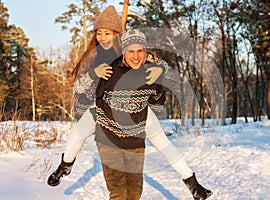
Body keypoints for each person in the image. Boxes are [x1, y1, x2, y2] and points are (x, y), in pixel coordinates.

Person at [47, 5, 212, 200]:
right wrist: (94, 73)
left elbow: (155, 62)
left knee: (163, 142)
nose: (102, 37)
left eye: (107, 33)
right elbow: (79, 87)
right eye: (99, 33)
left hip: (136, 107)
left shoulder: (130, 48)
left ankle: (192, 183)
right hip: (104, 108)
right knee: (76, 135)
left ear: (118, 34)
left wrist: (161, 70)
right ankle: (65, 165)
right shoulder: (94, 55)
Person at [94, 29, 166, 199]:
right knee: (119, 193)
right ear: (124, 53)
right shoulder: (111, 71)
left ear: (145, 52)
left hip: (135, 141)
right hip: (109, 140)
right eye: (130, 51)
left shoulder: (151, 73)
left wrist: (160, 76)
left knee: (134, 192)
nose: (135, 56)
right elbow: (94, 96)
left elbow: (157, 104)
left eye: (140, 50)